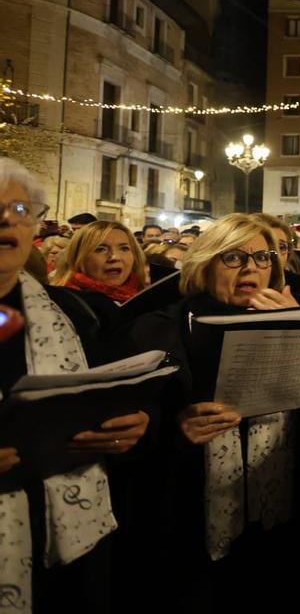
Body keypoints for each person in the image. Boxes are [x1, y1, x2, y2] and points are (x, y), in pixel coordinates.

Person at [125, 214, 300, 611]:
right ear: (205, 265)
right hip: (185, 512)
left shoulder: (293, 318)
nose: (251, 268)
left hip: (273, 516)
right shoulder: (157, 329)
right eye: (234, 257)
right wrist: (176, 429)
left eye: (262, 257)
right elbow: (130, 423)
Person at [0, 159, 151, 612]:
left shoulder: (78, 312)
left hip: (70, 542)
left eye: (19, 209)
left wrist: (138, 424)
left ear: (34, 224)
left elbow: (120, 392)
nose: (6, 220)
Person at [50, 220, 147, 305]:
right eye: (101, 249)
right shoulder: (61, 302)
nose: (115, 257)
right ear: (78, 257)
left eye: (124, 249)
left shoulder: (144, 296)